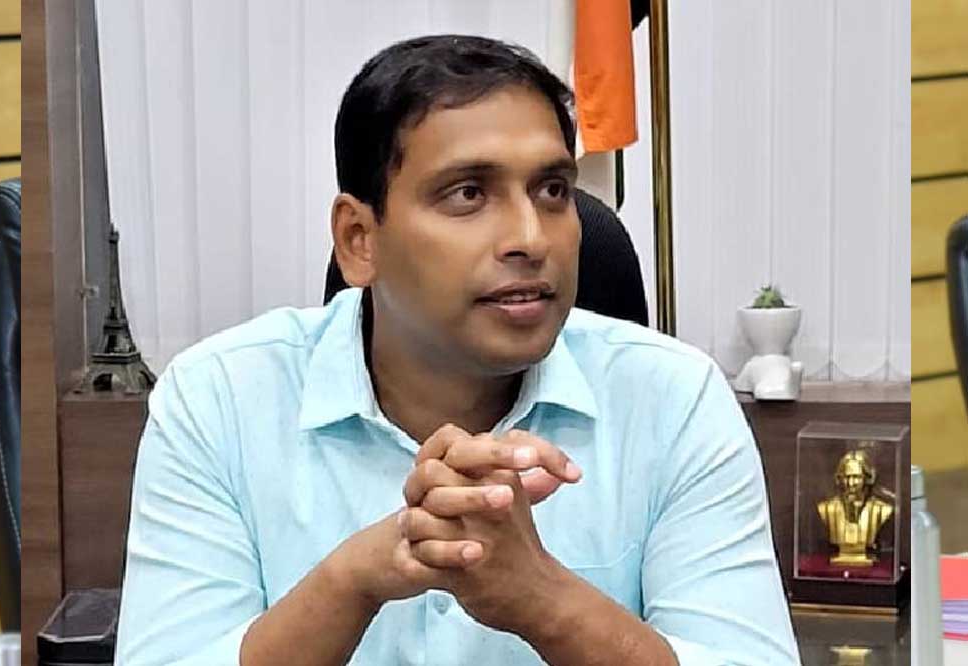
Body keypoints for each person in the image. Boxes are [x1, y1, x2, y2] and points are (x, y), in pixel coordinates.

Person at [115, 34, 800, 665]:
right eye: (468, 193)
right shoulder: (220, 400)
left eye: (552, 190)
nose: (530, 237)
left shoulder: (673, 398)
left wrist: (543, 599)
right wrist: (351, 581)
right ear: (359, 239)